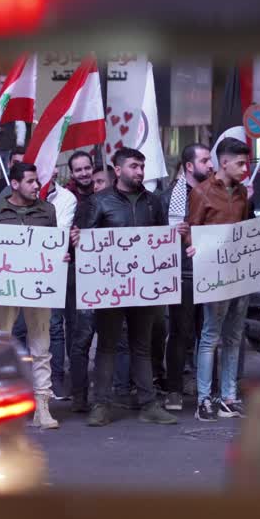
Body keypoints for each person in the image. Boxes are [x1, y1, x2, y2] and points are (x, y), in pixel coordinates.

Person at [74, 147, 181, 427]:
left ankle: (148, 404)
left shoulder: (153, 203)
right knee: (107, 346)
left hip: (144, 287)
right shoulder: (98, 202)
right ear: (117, 170)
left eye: (142, 166)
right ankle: (101, 404)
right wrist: (75, 241)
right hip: (109, 288)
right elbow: (82, 245)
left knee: (141, 346)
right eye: (134, 166)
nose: (140, 172)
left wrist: (177, 237)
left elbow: (162, 240)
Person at [0, 162, 64, 429]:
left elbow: (52, 244)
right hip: (5, 287)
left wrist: (60, 253)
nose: (36, 186)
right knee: (1, 345)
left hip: (38, 286)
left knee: (41, 346)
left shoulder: (47, 210)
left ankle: (42, 406)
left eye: (36, 182)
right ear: (15, 184)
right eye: (30, 182)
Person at [185, 138, 251, 421]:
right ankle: (204, 399)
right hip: (214, 275)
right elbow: (191, 228)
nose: (245, 168)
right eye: (240, 163)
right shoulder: (201, 192)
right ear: (224, 162)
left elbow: (245, 229)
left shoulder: (242, 195)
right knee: (211, 335)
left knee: (234, 336)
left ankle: (229, 396)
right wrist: (191, 245)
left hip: (240, 274)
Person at [159, 142, 213, 412]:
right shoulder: (173, 196)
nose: (211, 165)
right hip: (183, 273)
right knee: (180, 333)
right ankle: (174, 390)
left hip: (212, 271)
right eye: (205, 161)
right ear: (189, 166)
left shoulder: (216, 192)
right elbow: (158, 237)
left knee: (209, 332)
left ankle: (206, 388)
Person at [61, 150, 100, 411]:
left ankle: (109, 391)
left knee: (110, 335)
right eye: (79, 170)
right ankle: (79, 394)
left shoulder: (105, 196)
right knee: (78, 335)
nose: (84, 173)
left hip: (105, 272)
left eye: (87, 168)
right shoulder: (65, 200)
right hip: (75, 274)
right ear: (72, 173)